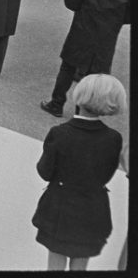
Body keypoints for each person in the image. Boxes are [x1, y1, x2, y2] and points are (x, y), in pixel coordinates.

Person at [32, 74, 126, 270]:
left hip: (59, 207)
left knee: (56, 259)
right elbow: (106, 175)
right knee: (81, 261)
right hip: (93, 209)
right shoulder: (114, 138)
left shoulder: (60, 133)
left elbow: (45, 172)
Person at [40, 0, 130, 118]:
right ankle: (83, 110)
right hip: (108, 33)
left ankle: (57, 103)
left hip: (83, 28)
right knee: (96, 75)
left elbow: (72, 3)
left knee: (68, 67)